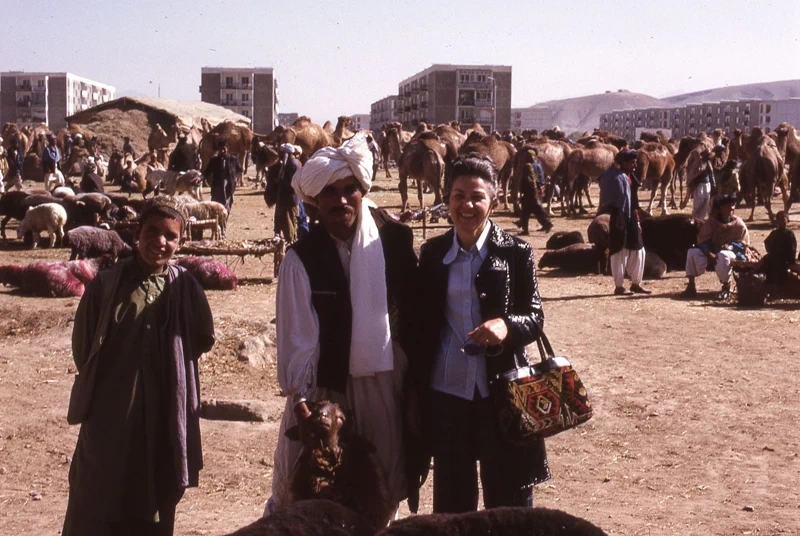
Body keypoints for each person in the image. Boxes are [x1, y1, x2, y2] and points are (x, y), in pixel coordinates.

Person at [266, 132, 417, 517]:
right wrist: (300, 400)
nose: (341, 199)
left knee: (380, 488)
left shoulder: (394, 241)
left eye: (350, 189)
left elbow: (415, 318)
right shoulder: (301, 259)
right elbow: (297, 338)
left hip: (382, 382)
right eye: (330, 192)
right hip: (324, 391)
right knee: (307, 494)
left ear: (362, 191)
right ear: (315, 202)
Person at [62, 196, 215, 536]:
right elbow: (84, 348)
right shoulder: (106, 285)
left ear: (181, 241)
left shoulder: (185, 288)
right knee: (98, 497)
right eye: (152, 231)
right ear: (137, 233)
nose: (160, 242)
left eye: (170, 236)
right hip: (110, 417)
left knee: (155, 498)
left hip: (163, 415)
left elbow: (202, 337)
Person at [412, 153, 549, 513]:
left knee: (509, 501)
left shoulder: (516, 252)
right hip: (447, 394)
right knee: (452, 503)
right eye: (458, 195)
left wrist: (507, 325)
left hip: (502, 393)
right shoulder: (432, 253)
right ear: (447, 200)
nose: (467, 205)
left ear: (494, 201)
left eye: (476, 196)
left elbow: (535, 317)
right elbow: (420, 323)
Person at [598, 149, 651, 295]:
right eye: (632, 163)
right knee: (619, 251)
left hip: (631, 216)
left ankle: (636, 283)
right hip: (619, 217)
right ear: (624, 163)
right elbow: (610, 200)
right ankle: (619, 286)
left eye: (635, 162)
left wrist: (637, 220)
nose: (635, 166)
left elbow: (632, 200)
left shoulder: (629, 177)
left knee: (639, 250)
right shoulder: (614, 177)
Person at [682, 194, 750, 300]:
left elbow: (743, 244)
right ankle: (691, 286)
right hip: (712, 251)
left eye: (732, 205)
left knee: (723, 255)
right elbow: (703, 239)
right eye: (728, 206)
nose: (731, 208)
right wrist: (708, 253)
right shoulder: (712, 222)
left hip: (732, 253)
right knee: (692, 252)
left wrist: (730, 246)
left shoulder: (739, 224)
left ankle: (726, 287)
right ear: (721, 208)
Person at [751, 211, 797, 299]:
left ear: (788, 221)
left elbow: (792, 248)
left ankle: (776, 292)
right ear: (776, 222)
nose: (782, 222)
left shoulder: (789, 234)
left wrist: (791, 260)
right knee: (766, 266)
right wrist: (770, 252)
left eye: (783, 220)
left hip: (784, 259)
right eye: (779, 220)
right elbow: (767, 242)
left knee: (778, 270)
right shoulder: (774, 233)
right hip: (773, 257)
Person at [204, 140, 241, 236]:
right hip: (217, 187)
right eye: (221, 149)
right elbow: (206, 172)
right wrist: (200, 178)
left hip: (228, 188)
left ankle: (223, 228)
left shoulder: (233, 159)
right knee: (215, 209)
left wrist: (236, 178)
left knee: (226, 208)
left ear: (227, 148)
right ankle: (216, 229)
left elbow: (239, 170)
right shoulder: (214, 160)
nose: (223, 150)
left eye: (224, 148)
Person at [514, 147, 553, 234]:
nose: (527, 157)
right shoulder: (538, 165)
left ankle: (547, 223)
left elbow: (527, 179)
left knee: (533, 209)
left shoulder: (527, 166)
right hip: (537, 190)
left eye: (528, 156)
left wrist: (523, 190)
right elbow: (541, 177)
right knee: (528, 210)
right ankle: (525, 227)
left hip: (530, 191)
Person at [273, 144, 303, 243]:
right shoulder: (291, 163)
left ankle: (291, 244)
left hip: (289, 199)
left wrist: (280, 181)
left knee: (290, 224)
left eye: (282, 153)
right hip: (286, 198)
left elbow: (292, 183)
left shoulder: (292, 164)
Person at [682, 148, 716, 221]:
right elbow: (693, 175)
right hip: (699, 186)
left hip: (707, 185)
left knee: (705, 205)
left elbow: (711, 175)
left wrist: (713, 184)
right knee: (698, 204)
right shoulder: (698, 164)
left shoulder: (709, 163)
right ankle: (695, 219)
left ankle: (700, 220)